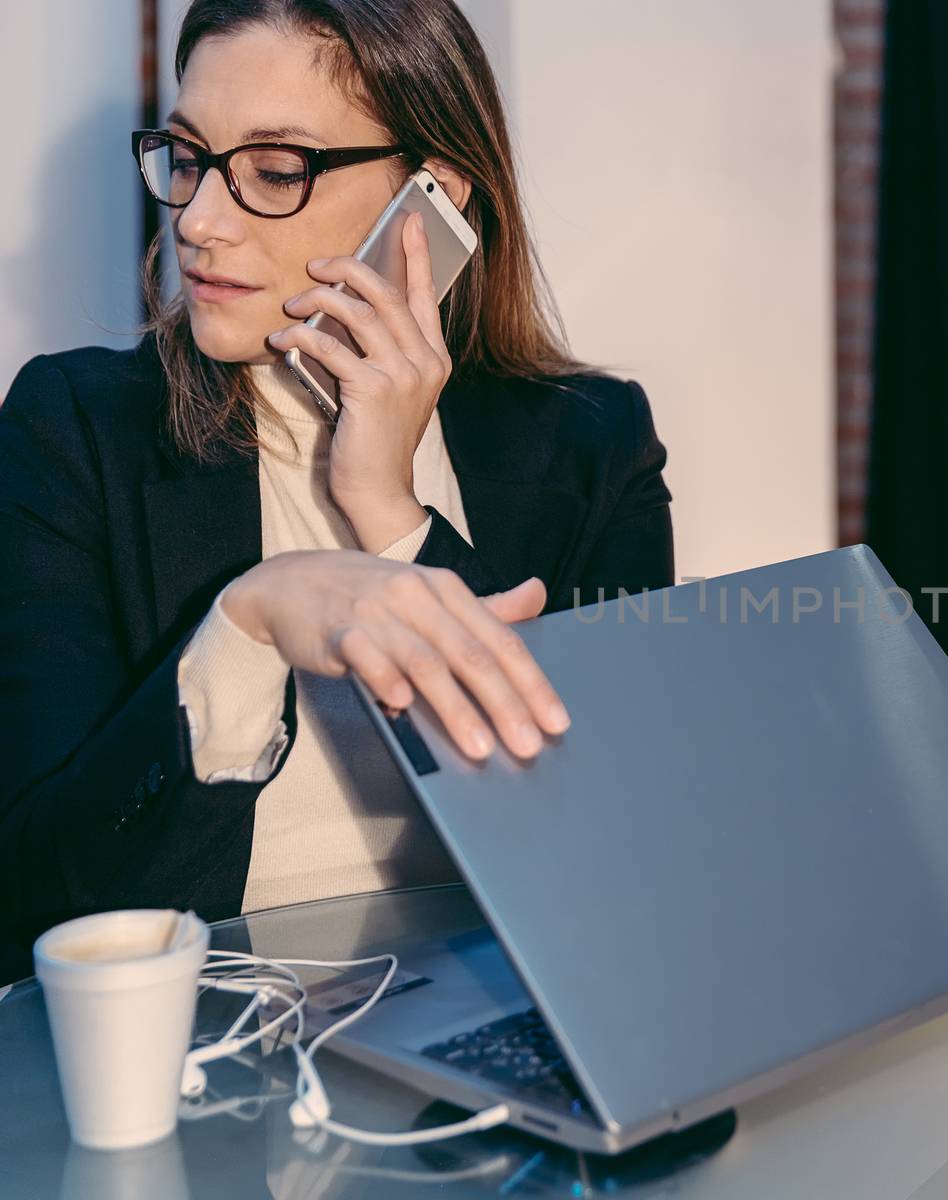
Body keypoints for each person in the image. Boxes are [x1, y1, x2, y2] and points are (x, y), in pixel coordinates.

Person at [0, 0, 674, 983]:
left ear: (432, 197)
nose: (199, 218)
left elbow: (611, 858)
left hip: (509, 1019)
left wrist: (390, 513)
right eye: (187, 157)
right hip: (213, 1049)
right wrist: (248, 623)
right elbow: (45, 891)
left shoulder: (590, 443)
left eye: (275, 171)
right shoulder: (74, 429)